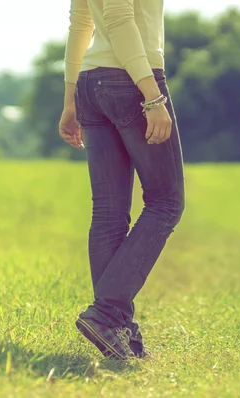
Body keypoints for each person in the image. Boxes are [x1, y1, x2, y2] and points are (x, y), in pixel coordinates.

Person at [58, 0, 185, 360]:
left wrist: (71, 99)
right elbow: (118, 18)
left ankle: (115, 326)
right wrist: (152, 94)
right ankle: (107, 313)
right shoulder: (143, 88)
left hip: (91, 83)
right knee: (166, 202)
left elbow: (81, 24)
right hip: (130, 81)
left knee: (109, 213)